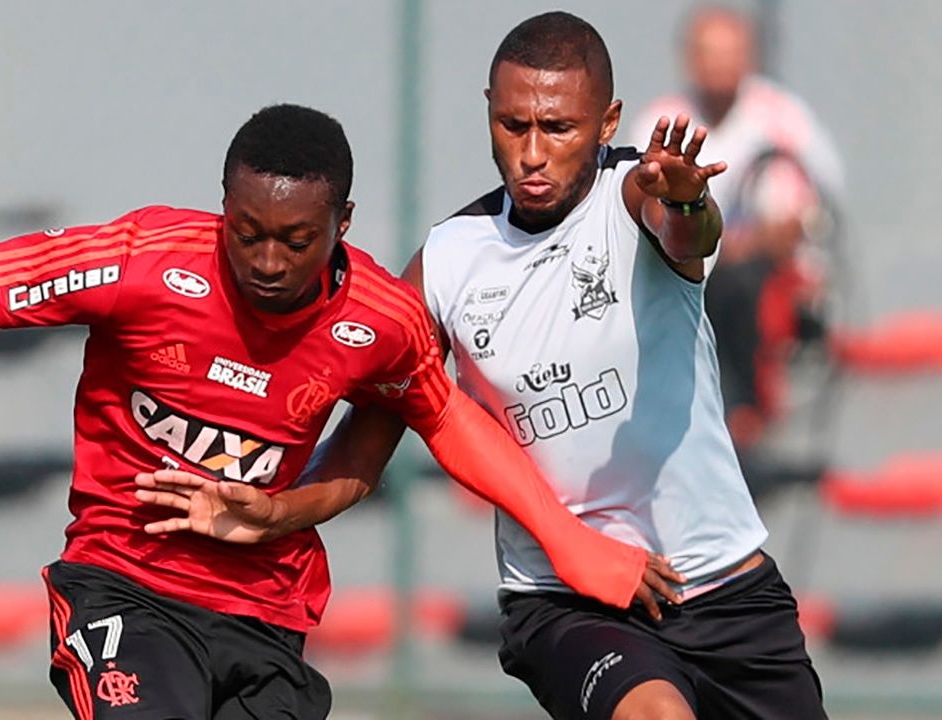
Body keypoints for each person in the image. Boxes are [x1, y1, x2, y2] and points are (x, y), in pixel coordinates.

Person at [0, 104, 680, 720]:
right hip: (123, 585)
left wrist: (570, 544)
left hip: (264, 614)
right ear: (222, 209)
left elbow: (447, 422)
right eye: (246, 231)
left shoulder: (381, 321)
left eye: (296, 238)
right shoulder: (142, 261)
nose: (268, 260)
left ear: (344, 222)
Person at [136, 14, 826, 720]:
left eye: (557, 128)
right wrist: (280, 510)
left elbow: (689, 231)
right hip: (567, 602)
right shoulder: (448, 263)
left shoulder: (638, 196)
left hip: (723, 588)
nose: (531, 152)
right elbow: (368, 441)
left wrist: (686, 197)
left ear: (606, 121)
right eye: (511, 124)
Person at [628, 5, 844, 450]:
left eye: (730, 54)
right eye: (710, 54)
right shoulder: (663, 121)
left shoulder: (783, 118)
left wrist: (765, 238)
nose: (720, 66)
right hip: (686, 274)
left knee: (735, 284)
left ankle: (745, 411)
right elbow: (644, 209)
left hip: (767, 281)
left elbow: (818, 203)